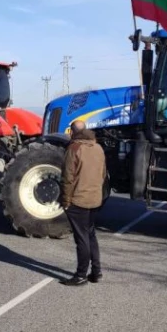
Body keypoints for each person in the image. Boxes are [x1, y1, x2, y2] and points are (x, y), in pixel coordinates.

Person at [60, 119, 107, 286]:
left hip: (78, 200)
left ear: (71, 132)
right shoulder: (98, 148)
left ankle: (80, 275)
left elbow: (68, 178)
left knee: (82, 238)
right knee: (91, 235)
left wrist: (65, 201)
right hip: (95, 199)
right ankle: (96, 271)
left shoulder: (74, 149)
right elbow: (103, 175)